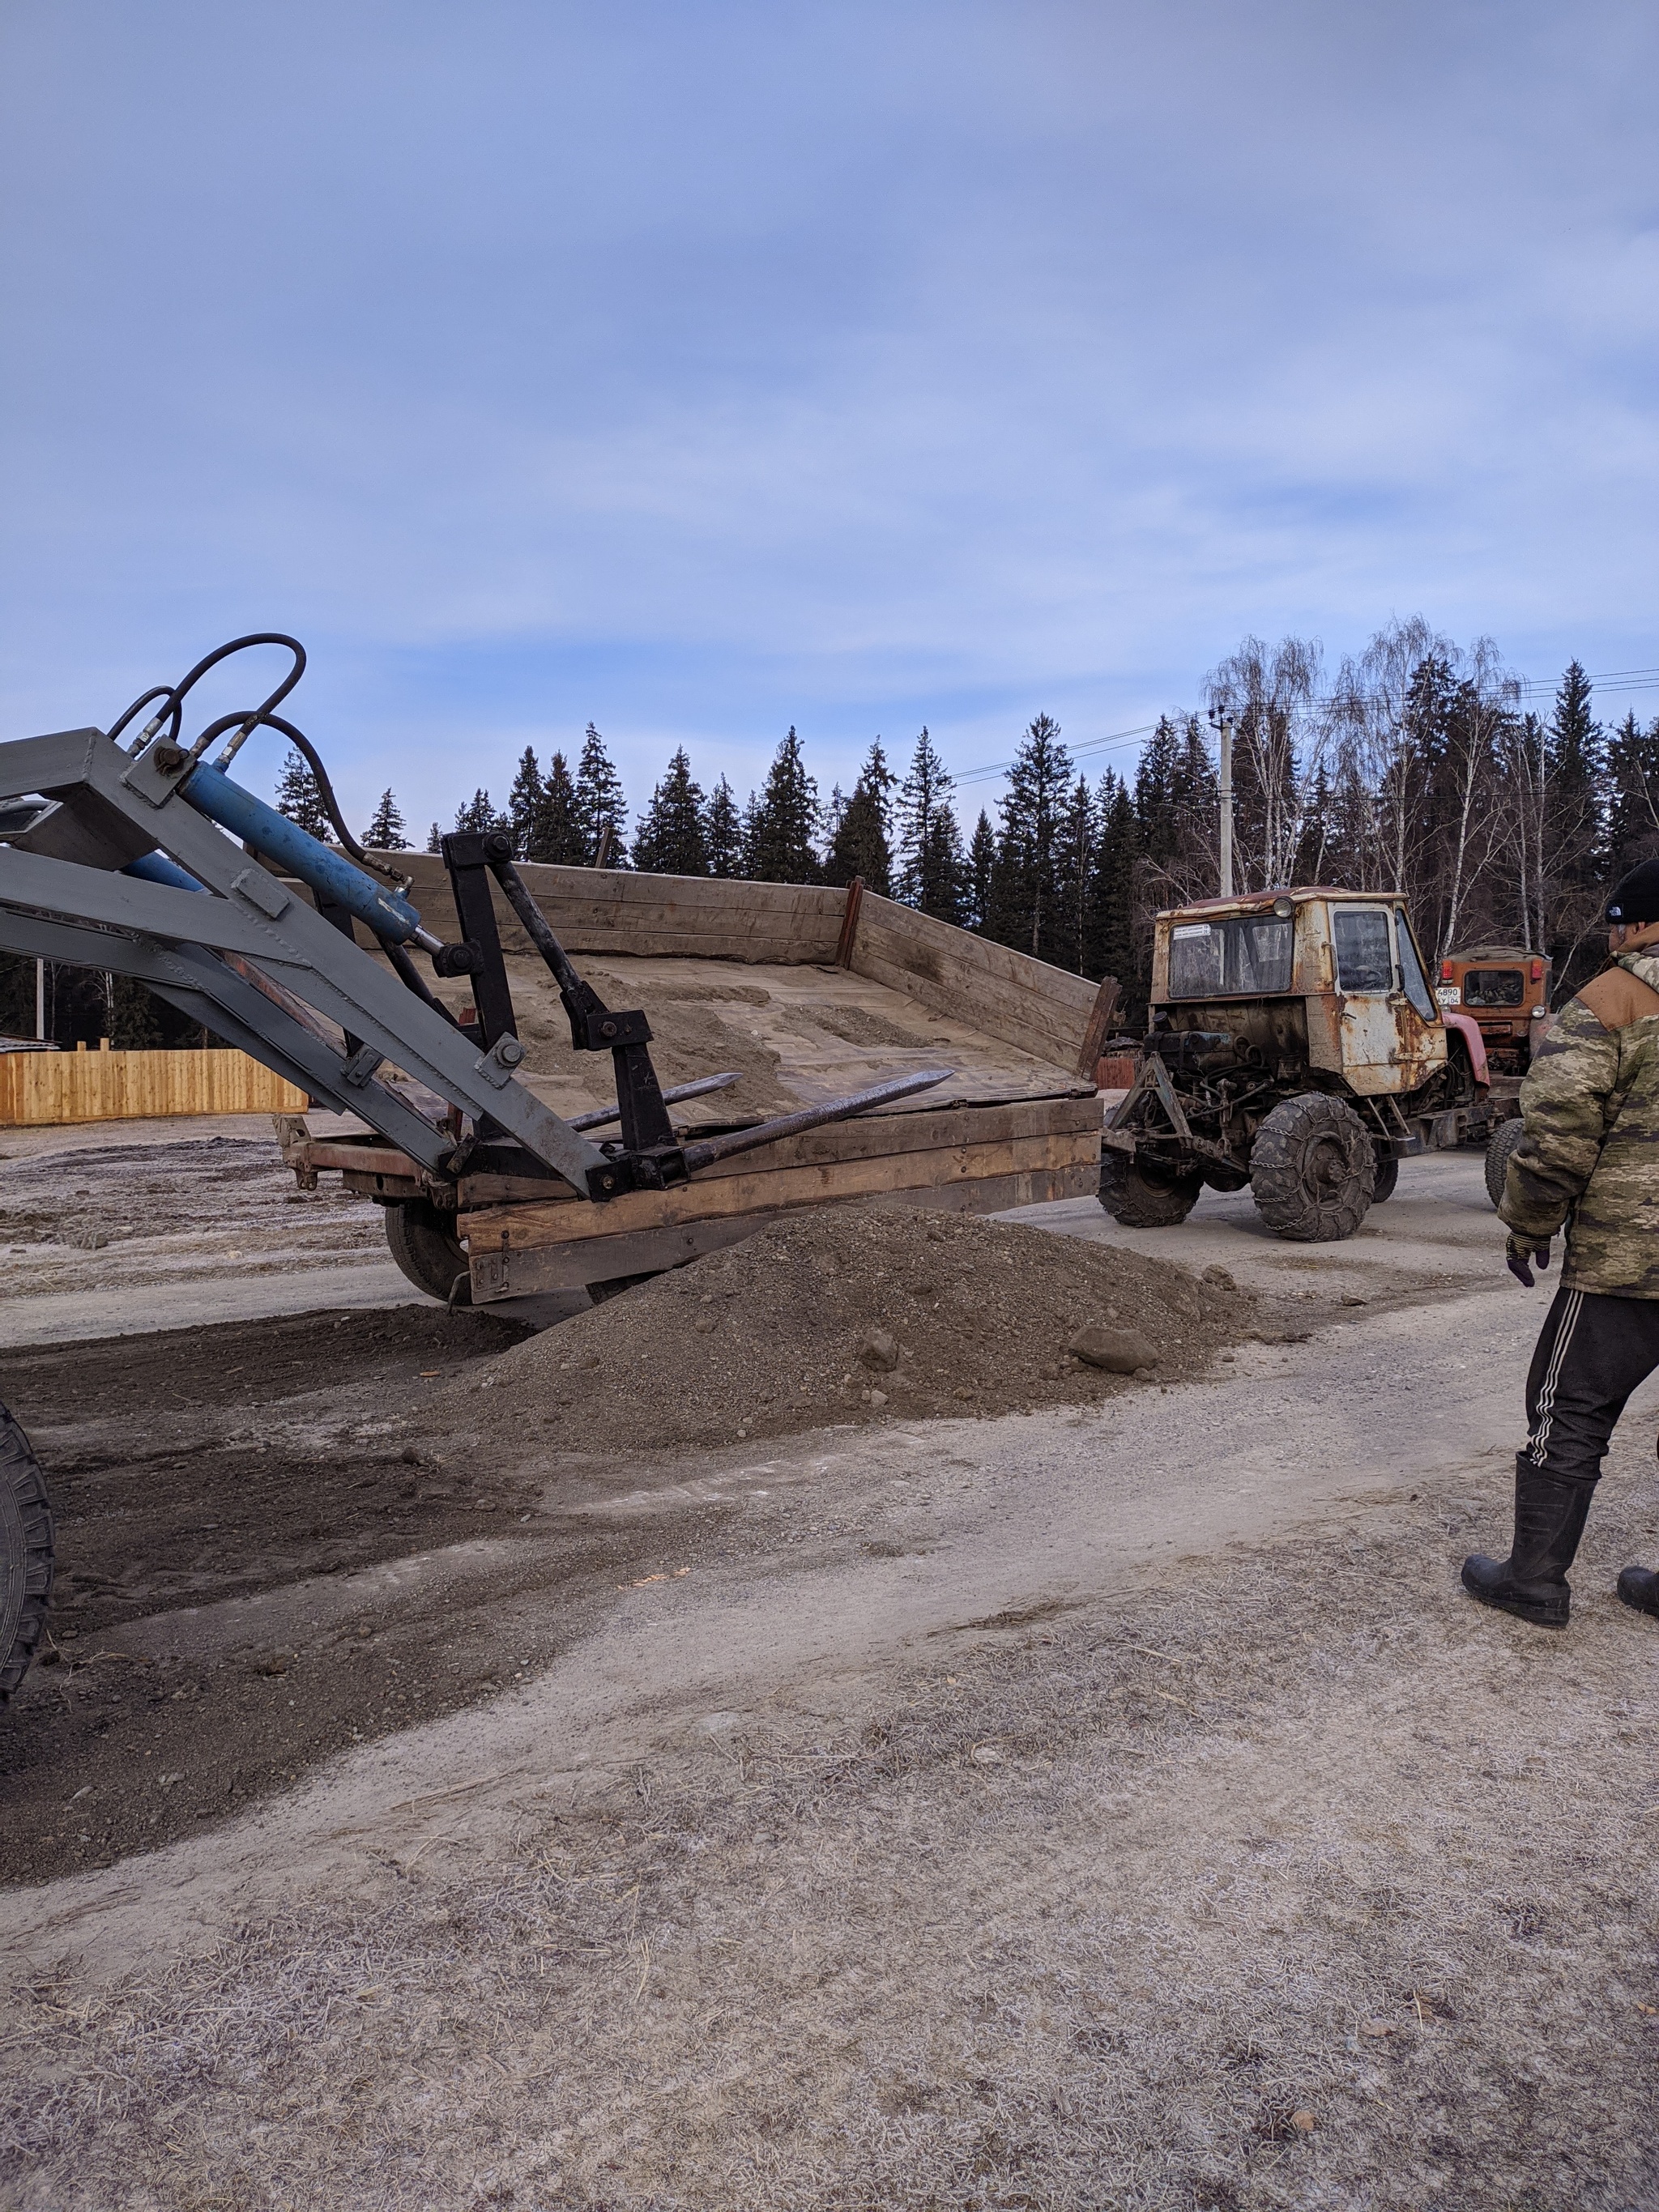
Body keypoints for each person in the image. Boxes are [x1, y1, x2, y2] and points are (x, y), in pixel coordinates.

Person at [1462, 857, 1659, 1629]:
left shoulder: (1614, 999)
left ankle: (1535, 1581)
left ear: (1642, 923)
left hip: (1628, 1263)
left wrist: (1528, 1223)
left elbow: (1559, 1135)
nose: (1612, 938)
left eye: (1618, 923)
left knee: (1568, 1404)